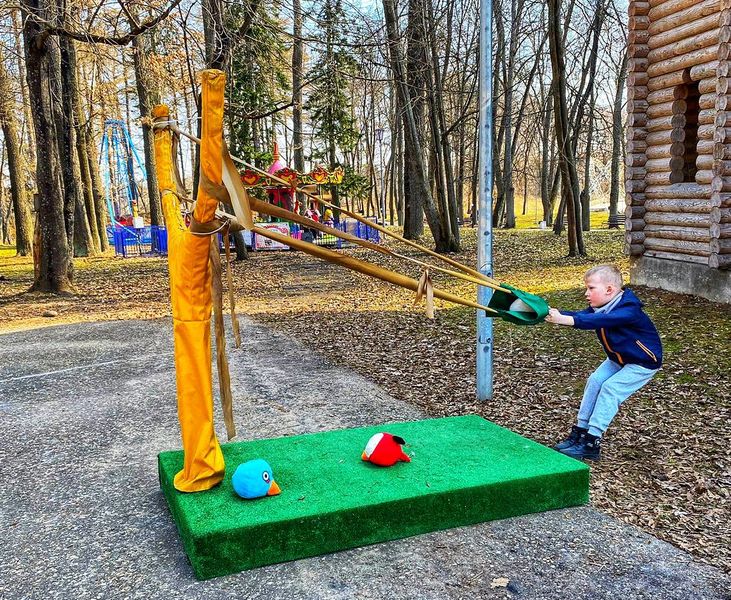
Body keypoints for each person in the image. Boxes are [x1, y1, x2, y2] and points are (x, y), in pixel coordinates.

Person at [544, 265, 662, 461]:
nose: (586, 293)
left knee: (610, 389)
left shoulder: (628, 310)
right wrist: (554, 313)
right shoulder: (601, 307)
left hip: (642, 362)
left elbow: (599, 321)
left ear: (609, 290)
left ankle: (592, 442)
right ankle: (580, 432)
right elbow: (583, 316)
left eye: (591, 288)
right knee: (595, 381)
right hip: (618, 358)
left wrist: (563, 319)